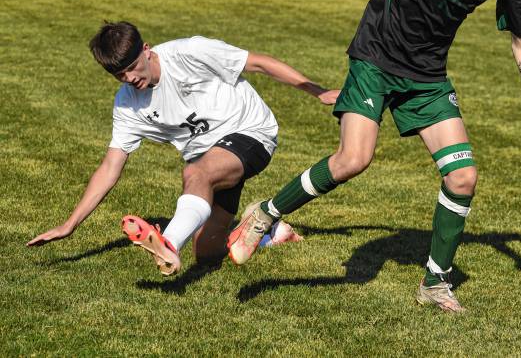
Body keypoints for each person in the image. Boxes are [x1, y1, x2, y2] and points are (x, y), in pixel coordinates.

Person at [227, 0, 521, 313]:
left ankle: (435, 284)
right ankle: (266, 213)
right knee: (354, 158)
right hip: (376, 55)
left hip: (426, 76)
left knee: (462, 177)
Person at [27, 22, 339, 276]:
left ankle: (168, 244)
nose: (130, 78)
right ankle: (267, 229)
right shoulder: (127, 105)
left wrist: (318, 91)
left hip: (250, 132)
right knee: (207, 255)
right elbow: (111, 166)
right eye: (120, 75)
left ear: (147, 50)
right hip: (209, 161)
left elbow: (257, 63)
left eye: (133, 67)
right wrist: (71, 224)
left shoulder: (189, 52)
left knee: (195, 171)